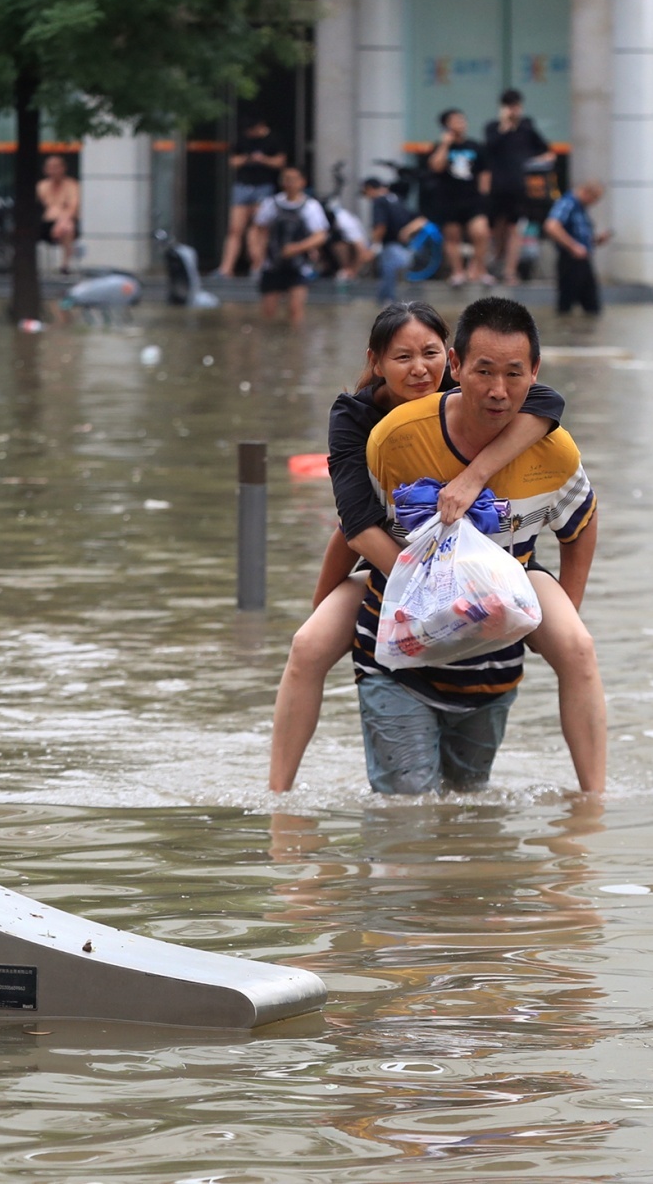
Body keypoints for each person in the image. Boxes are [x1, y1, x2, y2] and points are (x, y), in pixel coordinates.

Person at [267, 300, 606, 795]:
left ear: (447, 360)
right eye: (402, 358)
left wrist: (474, 476)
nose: (418, 370)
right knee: (308, 645)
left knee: (577, 646)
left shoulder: (492, 397)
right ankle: (279, 796)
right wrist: (428, 586)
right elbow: (354, 527)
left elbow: (546, 405)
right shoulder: (366, 425)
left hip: (500, 567)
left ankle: (593, 801)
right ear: (376, 363)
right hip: (396, 563)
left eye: (428, 353)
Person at [483, 89, 554, 285]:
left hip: (519, 187)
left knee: (515, 229)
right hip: (498, 187)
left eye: (517, 107)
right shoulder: (493, 128)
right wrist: (505, 126)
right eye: (510, 107)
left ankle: (509, 270)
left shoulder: (527, 128)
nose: (515, 111)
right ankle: (493, 263)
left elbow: (547, 152)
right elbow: (489, 148)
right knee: (496, 228)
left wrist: (530, 162)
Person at [252, 166, 329, 325]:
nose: (289, 183)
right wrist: (255, 251)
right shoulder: (270, 204)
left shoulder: (311, 206)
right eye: (286, 179)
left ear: (302, 182)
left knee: (296, 311)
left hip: (298, 265)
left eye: (293, 179)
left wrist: (298, 247)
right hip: (272, 263)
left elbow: (320, 235)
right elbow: (258, 229)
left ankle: (295, 346)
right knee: (268, 313)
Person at [426, 109, 491, 287]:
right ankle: (458, 272)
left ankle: (479, 269)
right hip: (448, 199)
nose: (460, 123)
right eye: (455, 120)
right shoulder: (440, 146)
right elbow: (436, 167)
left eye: (462, 120)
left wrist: (484, 196)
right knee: (452, 237)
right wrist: (445, 144)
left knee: (481, 233)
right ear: (446, 124)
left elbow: (484, 173)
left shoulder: (475, 146)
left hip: (472, 198)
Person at [217, 118, 286, 278]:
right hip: (243, 186)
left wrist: (263, 160)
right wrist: (248, 158)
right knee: (235, 229)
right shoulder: (243, 140)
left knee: (258, 228)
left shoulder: (273, 140)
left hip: (263, 186)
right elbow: (233, 161)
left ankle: (258, 264)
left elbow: (280, 162)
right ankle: (226, 268)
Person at [544, 179, 611, 315]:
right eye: (595, 198)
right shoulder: (567, 203)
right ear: (586, 192)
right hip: (570, 260)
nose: (595, 203)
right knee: (566, 304)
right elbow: (551, 226)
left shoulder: (580, 208)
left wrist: (596, 240)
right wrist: (573, 246)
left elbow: (580, 236)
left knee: (592, 306)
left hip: (583, 260)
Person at [362, 176, 427, 303]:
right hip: (404, 247)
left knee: (388, 279)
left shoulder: (379, 201)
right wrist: (407, 231)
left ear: (369, 189)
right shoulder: (395, 198)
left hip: (391, 246)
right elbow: (421, 220)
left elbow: (380, 226)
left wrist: (374, 247)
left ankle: (387, 306)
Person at [36, 155, 81, 274]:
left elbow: (73, 207)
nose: (53, 170)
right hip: (45, 224)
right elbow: (44, 207)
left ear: (63, 168)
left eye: (56, 167)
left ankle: (64, 265)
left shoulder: (72, 185)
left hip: (65, 223)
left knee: (68, 227)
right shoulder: (41, 186)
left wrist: (61, 224)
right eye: (50, 167)